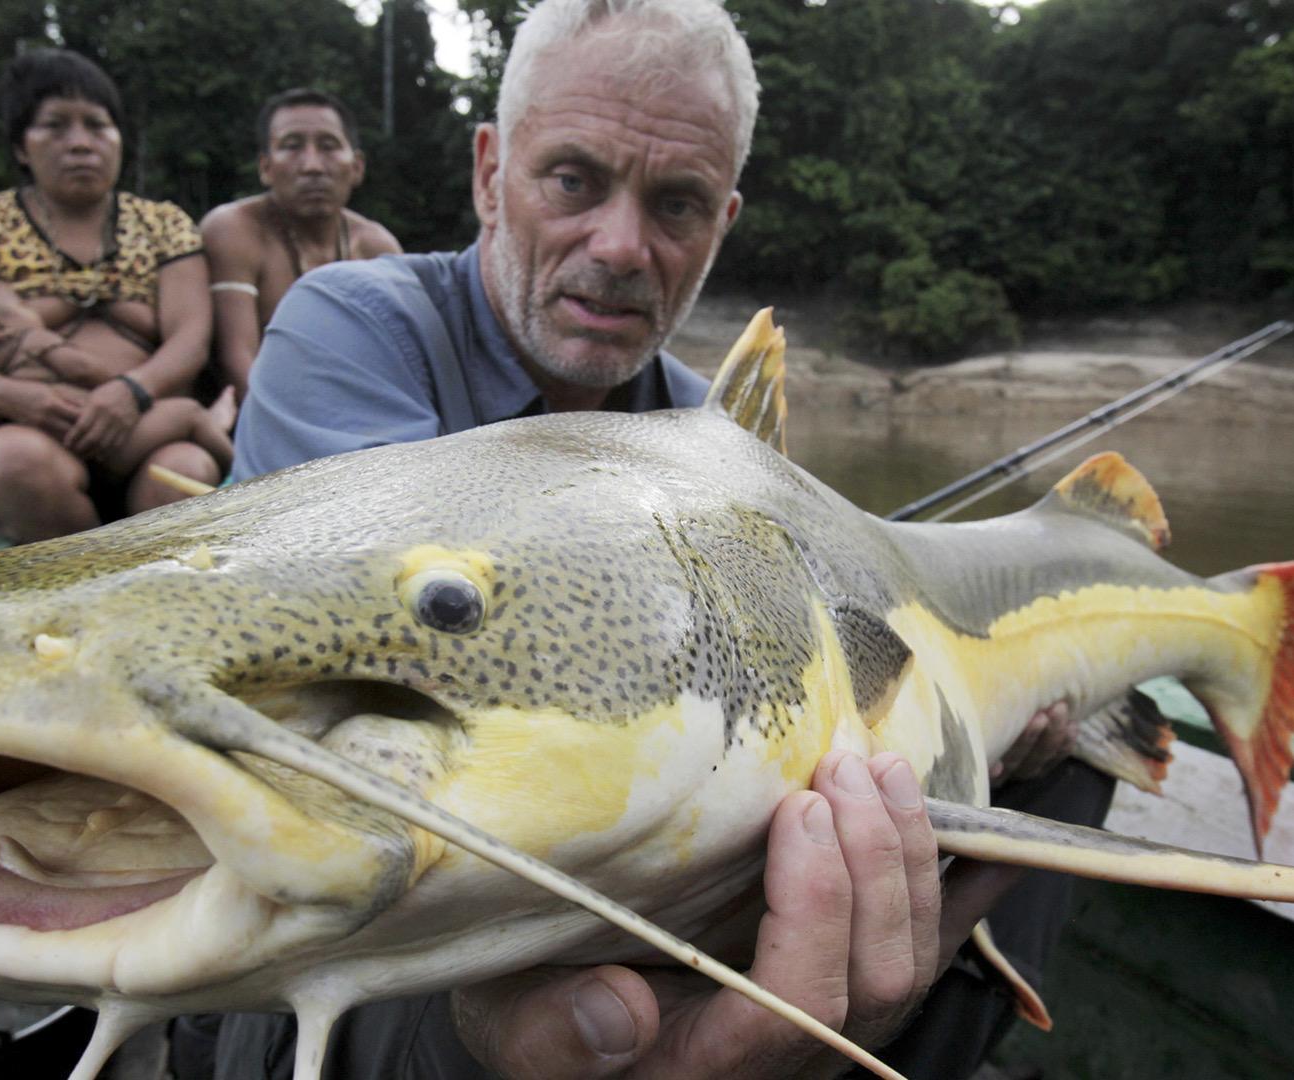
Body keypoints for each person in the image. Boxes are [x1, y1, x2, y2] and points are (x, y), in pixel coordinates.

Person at [204, 1, 1111, 1076]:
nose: (622, 246)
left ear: (724, 221)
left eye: (677, 203)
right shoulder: (349, 325)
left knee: (1062, 773)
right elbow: (387, 646)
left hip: (617, 897)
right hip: (321, 941)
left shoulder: (705, 431)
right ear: (490, 174)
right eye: (573, 180)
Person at [0, 48, 217, 543]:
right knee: (16, 462)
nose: (81, 143)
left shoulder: (163, 224)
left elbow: (190, 340)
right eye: (55, 126)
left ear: (119, 140)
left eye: (97, 126)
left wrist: (132, 392)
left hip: (148, 433)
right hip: (33, 436)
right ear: (22, 148)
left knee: (183, 474)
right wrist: (19, 398)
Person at [0, 277, 235, 481]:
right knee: (189, 413)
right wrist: (126, 388)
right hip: (109, 441)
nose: (30, 309)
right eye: (21, 303)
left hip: (63, 456)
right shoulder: (34, 342)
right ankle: (241, 474)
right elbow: (84, 370)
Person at [200, 88, 402, 397]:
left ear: (357, 167)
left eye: (328, 146)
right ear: (266, 168)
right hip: (261, 412)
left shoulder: (377, 249)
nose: (312, 166)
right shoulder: (233, 230)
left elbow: (397, 363)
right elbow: (237, 363)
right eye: (292, 146)